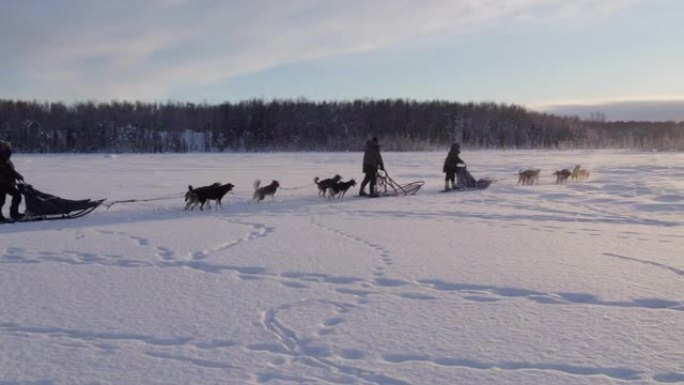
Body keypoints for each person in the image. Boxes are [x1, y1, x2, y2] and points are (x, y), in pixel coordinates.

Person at [0, 140, 25, 221]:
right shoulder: (2, 159)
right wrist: (14, 176)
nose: (9, 150)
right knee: (1, 200)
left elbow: (10, 170)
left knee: (17, 196)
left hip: (6, 183)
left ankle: (14, 213)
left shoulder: (5, 159)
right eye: (6, 148)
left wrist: (17, 175)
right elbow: (6, 172)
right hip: (3, 183)